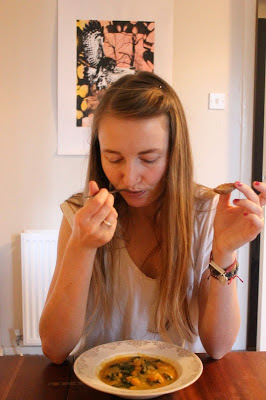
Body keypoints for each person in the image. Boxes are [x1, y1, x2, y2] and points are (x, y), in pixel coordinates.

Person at [39, 71, 265, 364]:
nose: (130, 178)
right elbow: (54, 348)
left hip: (176, 380)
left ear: (174, 153)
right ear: (98, 153)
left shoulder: (205, 213)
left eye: (148, 159)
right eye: (114, 158)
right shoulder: (79, 216)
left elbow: (218, 346)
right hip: (97, 383)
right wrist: (82, 247)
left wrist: (224, 250)